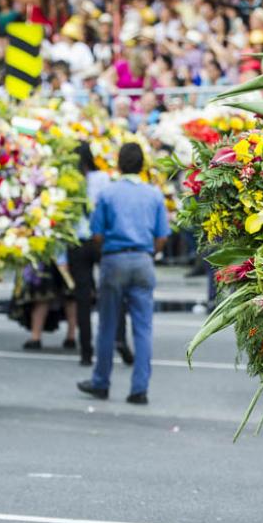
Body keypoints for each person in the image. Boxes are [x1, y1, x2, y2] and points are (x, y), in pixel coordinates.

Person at [77, 143, 170, 404]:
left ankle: (101, 382)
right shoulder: (154, 195)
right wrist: (148, 253)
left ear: (118, 164)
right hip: (142, 260)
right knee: (143, 327)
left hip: (114, 259)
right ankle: (139, 388)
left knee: (107, 324)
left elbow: (96, 234)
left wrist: (108, 248)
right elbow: (162, 237)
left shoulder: (107, 194)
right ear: (142, 166)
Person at [67, 142, 111, 366]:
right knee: (110, 294)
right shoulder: (102, 179)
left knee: (83, 298)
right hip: (100, 240)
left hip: (78, 243)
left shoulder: (68, 182)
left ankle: (86, 350)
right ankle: (115, 341)